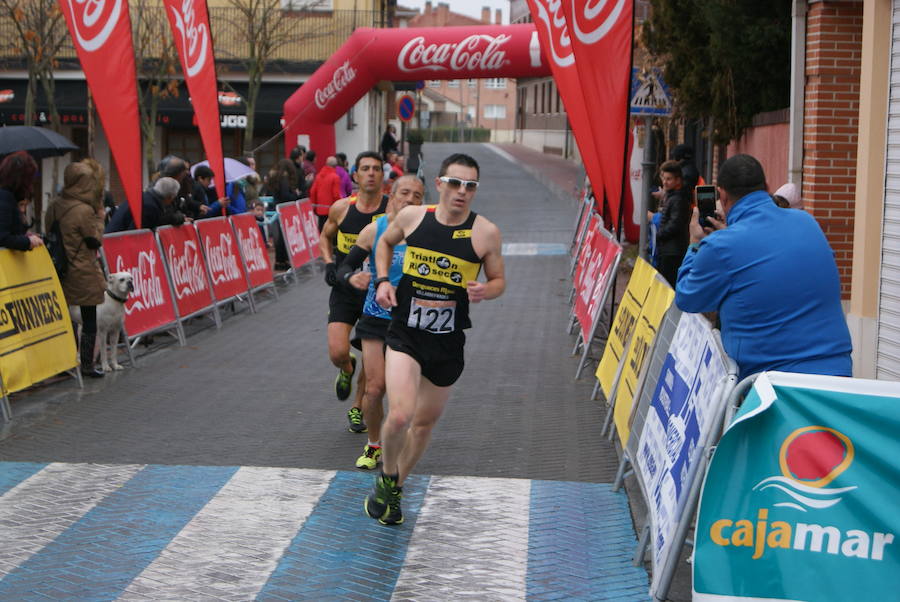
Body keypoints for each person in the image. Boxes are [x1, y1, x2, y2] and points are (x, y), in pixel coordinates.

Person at [364, 153, 505, 525]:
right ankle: (388, 476)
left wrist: (485, 291)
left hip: (447, 341)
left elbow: (498, 280)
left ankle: (394, 486)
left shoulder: (485, 232)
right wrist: (381, 280)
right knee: (400, 414)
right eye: (455, 183)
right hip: (405, 333)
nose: (462, 192)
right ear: (440, 184)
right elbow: (383, 244)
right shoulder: (413, 217)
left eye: (470, 186)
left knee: (423, 424)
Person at [675, 154, 852, 379]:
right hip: (835, 375)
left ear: (722, 195)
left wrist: (695, 245)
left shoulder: (720, 246)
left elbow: (688, 297)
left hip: (771, 388)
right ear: (766, 186)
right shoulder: (806, 221)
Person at [335, 175, 425, 470]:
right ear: (392, 195)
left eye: (417, 196)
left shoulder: (429, 232)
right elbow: (345, 265)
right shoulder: (375, 230)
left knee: (403, 396)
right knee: (374, 388)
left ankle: (398, 439)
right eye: (405, 194)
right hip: (376, 315)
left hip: (412, 320)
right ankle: (374, 445)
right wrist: (352, 277)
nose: (410, 200)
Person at [319, 151, 390, 432]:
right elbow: (326, 237)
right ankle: (346, 367)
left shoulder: (393, 211)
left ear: (383, 176)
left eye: (376, 169)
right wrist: (328, 263)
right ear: (356, 176)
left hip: (378, 291)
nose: (371, 173)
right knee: (338, 350)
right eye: (365, 169)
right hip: (346, 288)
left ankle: (358, 408)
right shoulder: (341, 208)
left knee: (373, 359)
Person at [44, 160, 107, 378]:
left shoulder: (54, 205)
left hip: (58, 266)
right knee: (89, 318)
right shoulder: (84, 210)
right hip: (81, 268)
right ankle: (87, 364)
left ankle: (65, 361)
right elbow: (94, 240)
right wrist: (100, 219)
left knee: (64, 316)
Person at [654, 161, 691, 287]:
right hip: (669, 249)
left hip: (672, 252)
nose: (664, 182)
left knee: (668, 286)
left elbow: (675, 224)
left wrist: (659, 234)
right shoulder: (673, 196)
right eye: (663, 178)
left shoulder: (678, 199)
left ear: (678, 180)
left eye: (669, 179)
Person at [105, 177, 185, 232]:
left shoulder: (145, 197)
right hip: (116, 242)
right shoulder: (149, 206)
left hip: (114, 235)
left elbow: (160, 220)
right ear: (170, 197)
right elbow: (137, 232)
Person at [0, 151, 43, 252]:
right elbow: (2, 238)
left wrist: (25, 237)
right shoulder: (5, 197)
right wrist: (28, 241)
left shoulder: (8, 196)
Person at [309, 156, 343, 231]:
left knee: (321, 231)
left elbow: (313, 191)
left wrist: (314, 205)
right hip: (331, 209)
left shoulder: (318, 176)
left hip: (320, 208)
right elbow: (336, 195)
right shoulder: (335, 177)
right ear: (335, 166)